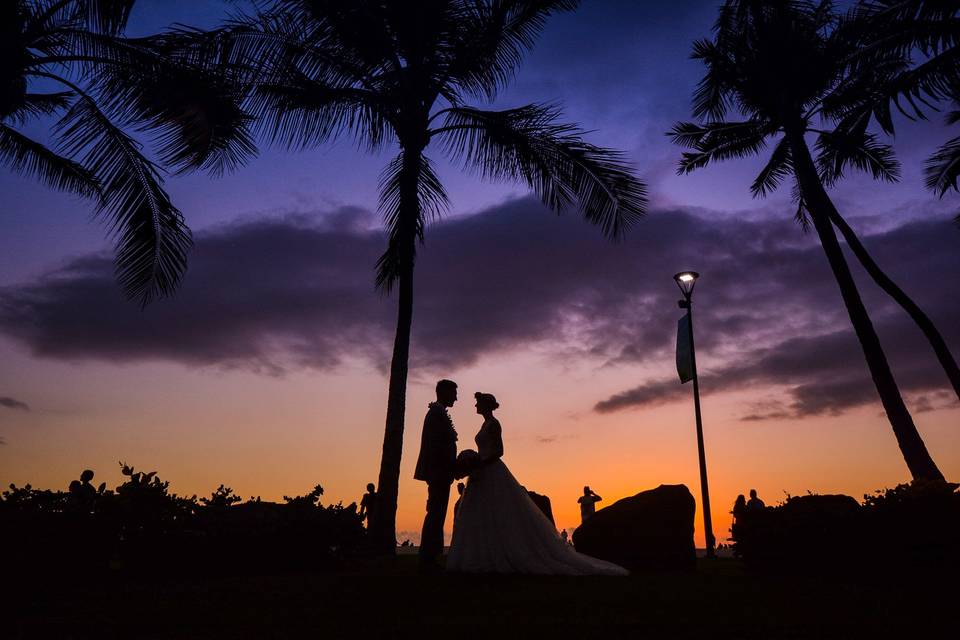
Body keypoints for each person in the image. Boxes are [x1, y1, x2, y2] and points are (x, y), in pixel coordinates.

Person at [447, 392, 627, 575]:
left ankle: (501, 554)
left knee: (498, 512)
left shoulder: (494, 424)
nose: (475, 406)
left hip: (491, 470)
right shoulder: (485, 424)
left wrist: (480, 462)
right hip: (481, 473)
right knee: (481, 513)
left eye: (478, 403)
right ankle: (481, 554)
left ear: (486, 406)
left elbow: (499, 450)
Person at [413, 379, 459, 573]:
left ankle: (430, 555)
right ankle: (428, 556)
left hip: (441, 471)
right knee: (435, 512)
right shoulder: (436, 414)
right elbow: (437, 446)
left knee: (437, 512)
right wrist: (450, 466)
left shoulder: (438, 413)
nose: (456, 398)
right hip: (439, 472)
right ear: (444, 392)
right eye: (453, 393)